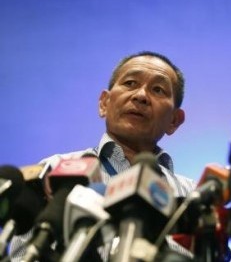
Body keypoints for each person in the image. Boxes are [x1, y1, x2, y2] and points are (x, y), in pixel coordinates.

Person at [9, 51, 196, 260]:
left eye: (158, 89)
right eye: (130, 83)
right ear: (104, 103)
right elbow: (23, 257)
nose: (141, 96)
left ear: (174, 121)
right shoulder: (55, 171)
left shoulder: (193, 196)